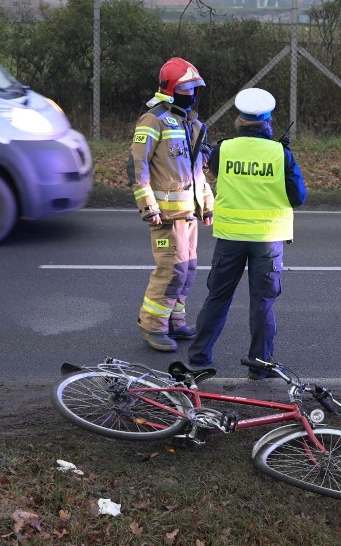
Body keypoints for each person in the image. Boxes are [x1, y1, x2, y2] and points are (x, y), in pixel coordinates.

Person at [187, 87, 307, 379]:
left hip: (229, 237)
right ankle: (259, 366)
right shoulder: (281, 153)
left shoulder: (223, 149)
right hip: (267, 239)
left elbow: (214, 173)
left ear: (239, 119)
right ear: (268, 120)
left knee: (217, 297)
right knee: (262, 303)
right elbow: (298, 197)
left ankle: (199, 358)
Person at [127, 57, 214, 352]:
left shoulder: (194, 125)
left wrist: (207, 203)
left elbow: (198, 172)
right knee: (170, 270)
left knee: (188, 269)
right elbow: (137, 167)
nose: (191, 95)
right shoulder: (154, 120)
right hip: (164, 215)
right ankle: (153, 326)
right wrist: (148, 207)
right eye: (187, 89)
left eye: (194, 89)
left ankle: (175, 321)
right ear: (171, 90)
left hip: (189, 214)